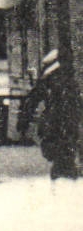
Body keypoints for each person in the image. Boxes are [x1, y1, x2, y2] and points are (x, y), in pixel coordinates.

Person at [27, 49, 80, 180]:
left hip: (55, 118)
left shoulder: (48, 77)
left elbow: (34, 97)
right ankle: (66, 169)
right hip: (66, 118)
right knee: (66, 144)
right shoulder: (68, 76)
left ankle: (62, 169)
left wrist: (25, 118)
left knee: (58, 145)